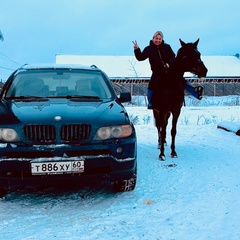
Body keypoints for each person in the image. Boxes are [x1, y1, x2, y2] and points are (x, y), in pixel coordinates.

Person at [133, 31, 203, 109]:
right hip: (157, 72)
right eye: (156, 38)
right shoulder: (149, 49)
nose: (158, 40)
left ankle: (195, 92)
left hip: (169, 70)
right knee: (151, 85)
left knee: (180, 79)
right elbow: (140, 57)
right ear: (153, 39)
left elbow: (173, 57)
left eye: (160, 39)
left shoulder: (167, 47)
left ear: (162, 39)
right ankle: (151, 102)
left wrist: (168, 63)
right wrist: (137, 49)